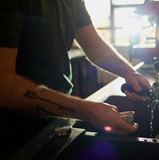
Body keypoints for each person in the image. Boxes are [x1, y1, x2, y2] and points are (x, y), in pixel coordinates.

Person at [0, 0, 150, 136]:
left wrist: (129, 73)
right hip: (13, 127)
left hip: (59, 117)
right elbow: (4, 87)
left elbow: (95, 47)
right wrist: (88, 111)